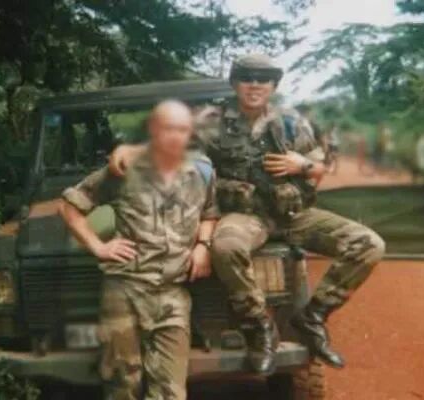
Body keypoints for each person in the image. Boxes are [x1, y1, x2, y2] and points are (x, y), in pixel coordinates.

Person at [109, 54, 385, 375]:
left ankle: (312, 317)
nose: (255, 85)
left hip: (294, 214)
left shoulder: (292, 122)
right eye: (246, 77)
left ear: (274, 85)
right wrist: (129, 150)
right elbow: (168, 144)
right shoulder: (210, 121)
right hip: (247, 216)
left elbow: (322, 167)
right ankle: (260, 326)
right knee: (225, 247)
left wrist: (304, 165)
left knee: (369, 244)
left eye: (263, 79)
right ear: (234, 82)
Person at [59, 100, 219, 400]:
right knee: (123, 386)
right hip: (125, 291)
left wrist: (203, 245)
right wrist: (98, 247)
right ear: (154, 130)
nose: (176, 136)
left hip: (173, 294)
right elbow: (70, 207)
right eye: (168, 129)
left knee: (171, 391)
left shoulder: (202, 172)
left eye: (182, 129)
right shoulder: (122, 171)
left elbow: (210, 213)